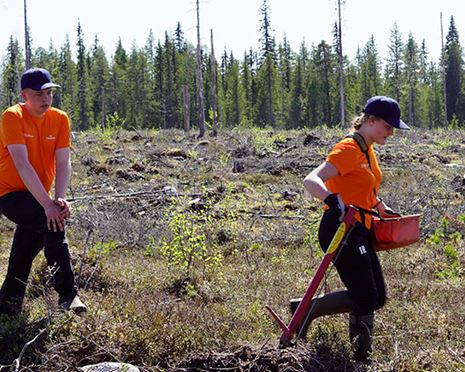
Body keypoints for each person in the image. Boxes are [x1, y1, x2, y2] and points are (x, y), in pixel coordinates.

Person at [293, 96, 409, 362]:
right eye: (388, 127)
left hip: (360, 227)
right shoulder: (348, 148)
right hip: (340, 228)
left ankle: (304, 309)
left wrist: (379, 206)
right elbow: (311, 179)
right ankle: (360, 359)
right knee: (366, 295)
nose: (390, 133)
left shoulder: (367, 150)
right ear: (370, 121)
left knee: (377, 296)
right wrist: (331, 199)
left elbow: (361, 188)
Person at [0, 67, 86, 317]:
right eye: (39, 94)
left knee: (23, 253)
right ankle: (68, 296)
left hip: (40, 195)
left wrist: (58, 198)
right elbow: (21, 163)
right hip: (10, 194)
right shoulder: (12, 116)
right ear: (24, 94)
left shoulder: (60, 119)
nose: (46, 98)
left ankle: (7, 305)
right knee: (53, 223)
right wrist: (48, 206)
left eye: (49, 92)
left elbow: (63, 162)